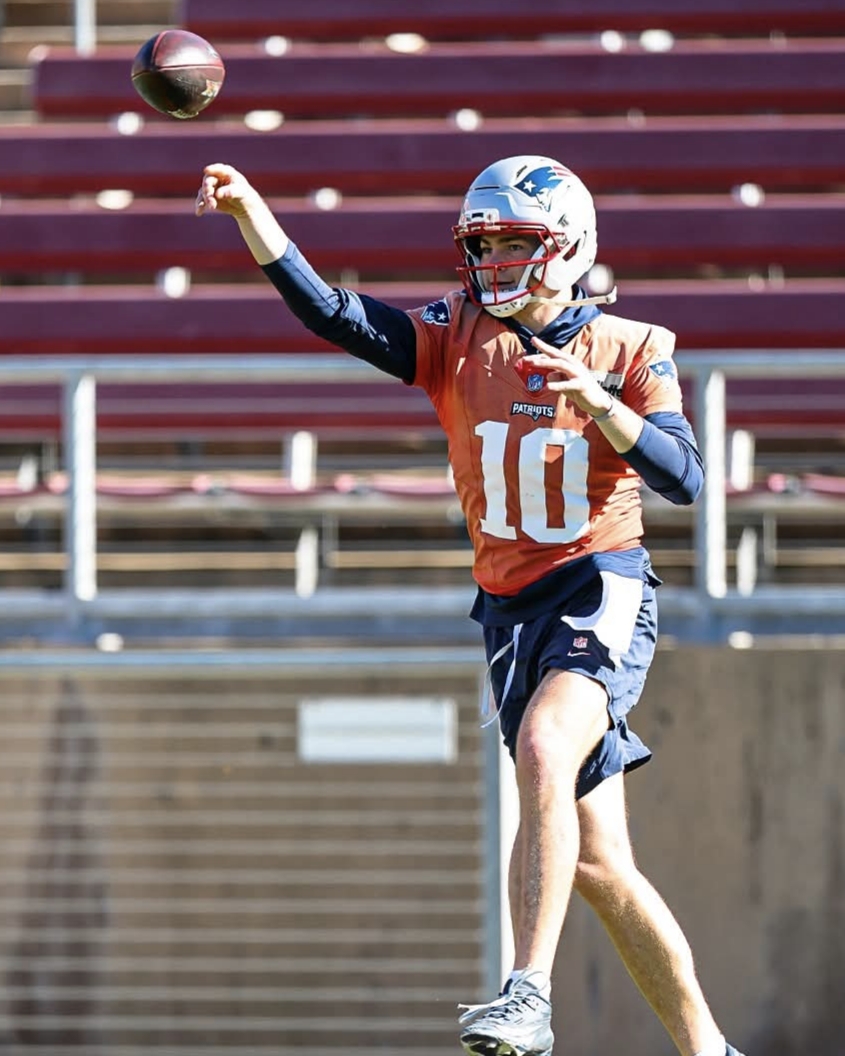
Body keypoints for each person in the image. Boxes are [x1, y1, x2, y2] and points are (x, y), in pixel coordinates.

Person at [195, 155, 746, 1056]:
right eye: (481, 244)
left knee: (544, 745)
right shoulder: (456, 333)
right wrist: (255, 217)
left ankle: (526, 994)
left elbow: (683, 478)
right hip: (507, 610)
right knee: (599, 865)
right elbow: (334, 314)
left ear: (570, 245)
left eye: (512, 242)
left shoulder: (630, 346)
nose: (492, 261)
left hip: (596, 583)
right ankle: (709, 1049)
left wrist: (602, 407)